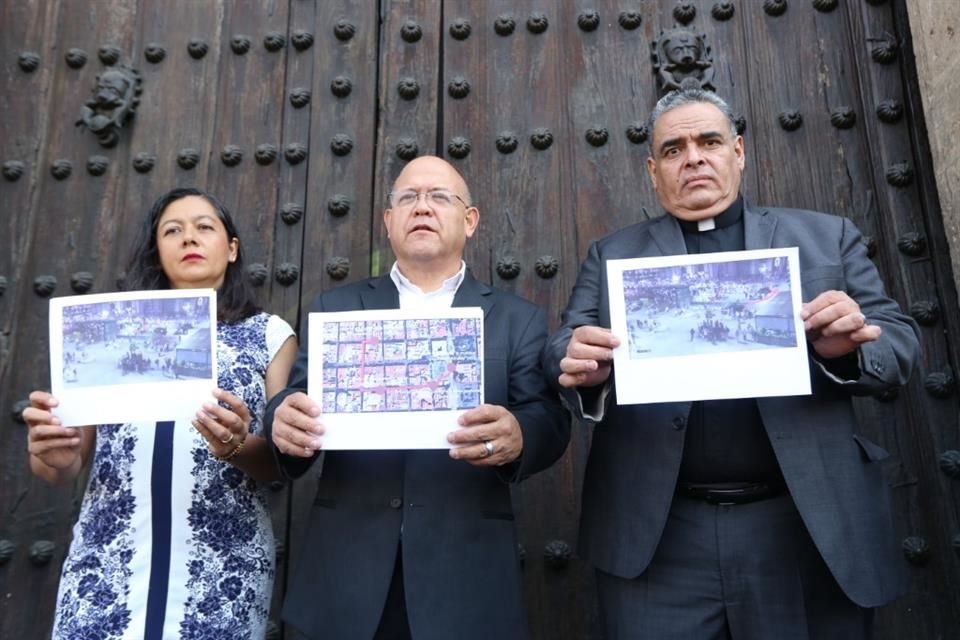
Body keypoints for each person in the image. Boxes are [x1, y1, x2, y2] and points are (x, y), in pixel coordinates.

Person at [542, 87, 920, 639]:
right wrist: (582, 365)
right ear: (653, 170)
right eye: (673, 149)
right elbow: (564, 343)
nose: (692, 157)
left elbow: (900, 342)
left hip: (802, 527)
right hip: (662, 536)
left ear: (738, 152)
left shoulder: (823, 237)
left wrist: (851, 348)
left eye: (709, 141)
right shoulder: (614, 254)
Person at [265, 155, 570, 640]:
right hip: (347, 573)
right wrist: (280, 418)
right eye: (407, 198)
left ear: (470, 220)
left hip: (465, 573)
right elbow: (295, 402)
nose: (421, 207)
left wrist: (519, 434)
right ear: (388, 221)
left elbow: (548, 418)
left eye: (439, 197)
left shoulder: (517, 318)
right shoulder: (337, 308)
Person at [24, 187, 297, 639]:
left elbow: (282, 461)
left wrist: (234, 444)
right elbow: (65, 463)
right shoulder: (107, 328)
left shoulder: (268, 335)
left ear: (231, 249)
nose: (189, 238)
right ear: (157, 251)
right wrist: (50, 454)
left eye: (204, 227)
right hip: (108, 559)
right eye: (173, 231)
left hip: (222, 563)